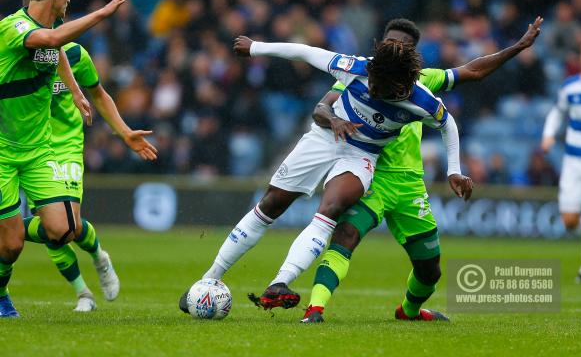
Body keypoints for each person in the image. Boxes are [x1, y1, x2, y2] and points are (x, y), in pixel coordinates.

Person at [180, 33, 470, 314]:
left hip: (362, 155)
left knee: (331, 209)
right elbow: (306, 52)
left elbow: (449, 125)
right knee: (272, 204)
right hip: (323, 138)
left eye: (379, 86)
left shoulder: (421, 101)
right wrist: (256, 48)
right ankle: (210, 277)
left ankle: (280, 283)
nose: (371, 88)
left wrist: (453, 170)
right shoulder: (356, 68)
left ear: (398, 86)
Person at [300, 16, 543, 323]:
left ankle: (409, 311)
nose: (393, 49)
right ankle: (315, 308)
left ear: (413, 53)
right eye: (389, 43)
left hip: (410, 185)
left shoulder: (423, 81)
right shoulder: (360, 74)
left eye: (401, 46)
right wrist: (334, 119)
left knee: (430, 269)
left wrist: (518, 47)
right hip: (370, 174)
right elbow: (326, 104)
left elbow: (473, 70)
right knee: (345, 235)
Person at [0, 0, 136, 318]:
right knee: (11, 246)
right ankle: (1, 294)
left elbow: (54, 49)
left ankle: (90, 263)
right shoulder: (13, 28)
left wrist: (75, 90)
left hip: (38, 149)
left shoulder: (51, 35)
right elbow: (49, 40)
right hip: (2, 150)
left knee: (63, 230)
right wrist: (103, 13)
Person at [542, 40, 581, 283]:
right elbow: (557, 112)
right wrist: (548, 135)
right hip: (572, 160)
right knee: (569, 221)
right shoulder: (570, 88)